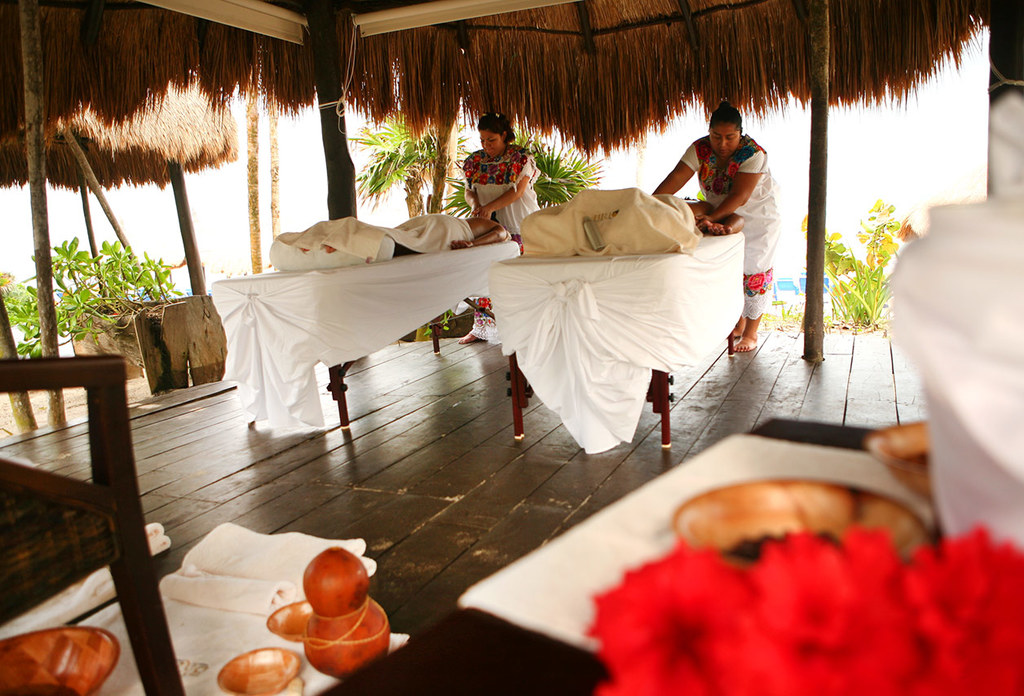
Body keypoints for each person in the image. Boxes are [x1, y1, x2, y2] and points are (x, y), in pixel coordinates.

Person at [653, 101, 782, 352]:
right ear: (709, 132)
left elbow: (740, 196)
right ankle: (738, 324)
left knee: (754, 270)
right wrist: (649, 204)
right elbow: (676, 178)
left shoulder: (753, 153)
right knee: (730, 268)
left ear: (740, 134)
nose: (722, 144)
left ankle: (751, 333)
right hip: (721, 213)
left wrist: (712, 218)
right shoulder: (700, 149)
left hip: (759, 217)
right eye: (716, 136)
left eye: (730, 137)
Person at [459, 112, 540, 344]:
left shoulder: (520, 158)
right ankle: (482, 327)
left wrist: (489, 207)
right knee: (485, 274)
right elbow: (469, 191)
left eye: (491, 140)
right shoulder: (474, 161)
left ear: (504, 135)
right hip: (487, 226)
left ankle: (525, 330)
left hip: (518, 223)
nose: (486, 145)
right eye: (482, 140)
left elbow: (518, 192)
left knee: (518, 278)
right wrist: (476, 205)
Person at [269, 215, 510, 272]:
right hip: (438, 226)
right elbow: (500, 233)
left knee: (384, 236)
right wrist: (472, 245)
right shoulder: (474, 222)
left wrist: (472, 245)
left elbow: (501, 233)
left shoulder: (482, 226)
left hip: (443, 232)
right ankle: (333, 239)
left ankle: (332, 239)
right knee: (389, 234)